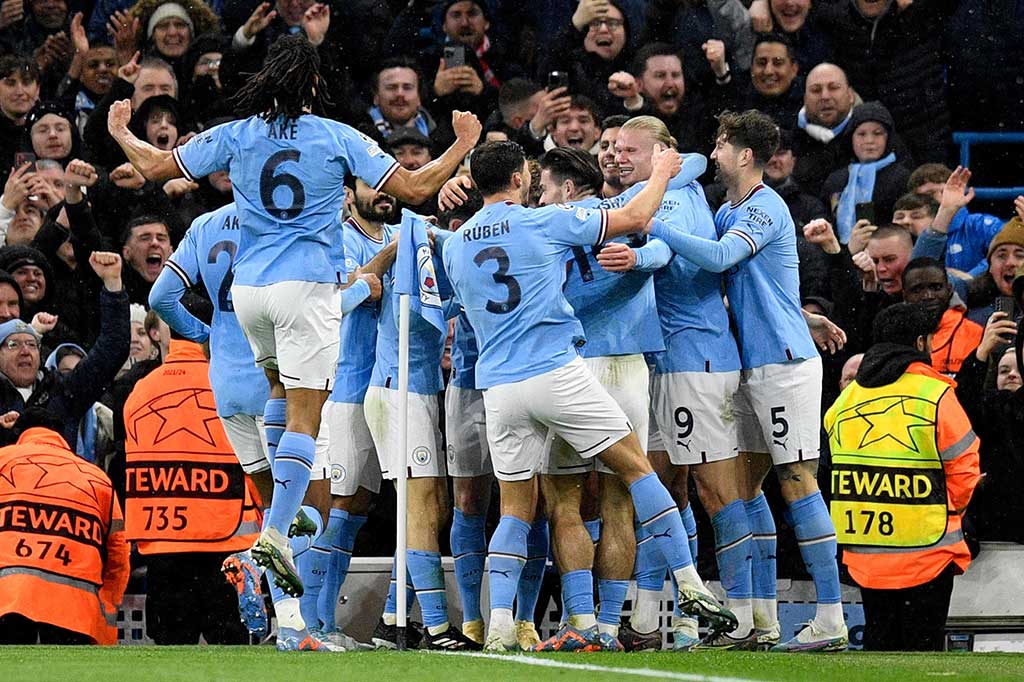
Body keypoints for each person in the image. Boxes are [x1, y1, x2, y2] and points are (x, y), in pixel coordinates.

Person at [105, 33, 481, 650]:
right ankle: (269, 548)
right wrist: (462, 143)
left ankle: (290, 619)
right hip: (306, 288)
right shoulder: (333, 134)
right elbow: (413, 190)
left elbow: (151, 169)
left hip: (248, 295)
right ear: (310, 84)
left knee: (283, 424)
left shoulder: (238, 133)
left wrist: (123, 129)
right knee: (307, 428)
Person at [442, 140, 737, 653]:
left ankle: (497, 626)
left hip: (498, 387)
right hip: (558, 371)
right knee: (636, 471)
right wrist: (664, 170)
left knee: (516, 509)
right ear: (517, 180)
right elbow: (637, 215)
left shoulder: (454, 245)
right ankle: (689, 583)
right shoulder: (543, 221)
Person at [648, 110, 847, 652]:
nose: (712, 154)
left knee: (798, 480)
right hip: (753, 361)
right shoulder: (729, 208)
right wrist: (806, 314)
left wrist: (654, 223)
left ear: (743, 155)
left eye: (720, 145)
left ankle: (830, 616)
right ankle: (759, 618)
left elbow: (719, 260)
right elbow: (759, 287)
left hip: (783, 364)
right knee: (749, 487)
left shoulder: (763, 207)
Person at [148, 202, 273, 638]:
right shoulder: (287, 216)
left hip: (227, 382)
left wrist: (208, 334)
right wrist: (359, 291)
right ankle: (292, 608)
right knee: (304, 504)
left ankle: (266, 574)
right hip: (277, 378)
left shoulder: (205, 224)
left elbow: (160, 297)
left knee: (273, 499)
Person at [826, 303, 980, 651]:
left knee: (878, 653)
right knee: (921, 661)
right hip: (928, 552)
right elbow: (965, 467)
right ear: (921, 343)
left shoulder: (846, 399)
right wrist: (946, 512)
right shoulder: (935, 395)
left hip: (865, 554)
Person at [122, 329, 263, 645]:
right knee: (231, 650)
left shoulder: (141, 391)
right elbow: (255, 462)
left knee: (172, 652)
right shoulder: (228, 383)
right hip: (225, 540)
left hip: (163, 541)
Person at [0, 409, 129, 645]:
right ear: (63, 436)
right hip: (75, 606)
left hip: (6, 598)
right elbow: (119, 554)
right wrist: (108, 604)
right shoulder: (96, 478)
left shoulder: (3, 461)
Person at [0, 252, 129, 449]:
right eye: (13, 345)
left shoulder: (62, 392)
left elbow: (113, 349)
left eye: (32, 344)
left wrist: (112, 285)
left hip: (59, 478)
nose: (25, 351)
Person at [955, 309, 1024, 544]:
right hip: (991, 527)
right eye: (1004, 370)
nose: (1012, 375)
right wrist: (982, 351)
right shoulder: (988, 406)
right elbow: (960, 401)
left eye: (1020, 369)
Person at [821, 102, 910, 244]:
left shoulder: (902, 178)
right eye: (861, 134)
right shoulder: (836, 180)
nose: (869, 141)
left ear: (889, 137)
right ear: (851, 138)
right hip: (842, 255)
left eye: (877, 133)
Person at [901, 258, 983, 376]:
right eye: (917, 290)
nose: (928, 296)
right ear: (904, 295)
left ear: (949, 289)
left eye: (936, 288)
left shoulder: (976, 334)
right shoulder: (893, 335)